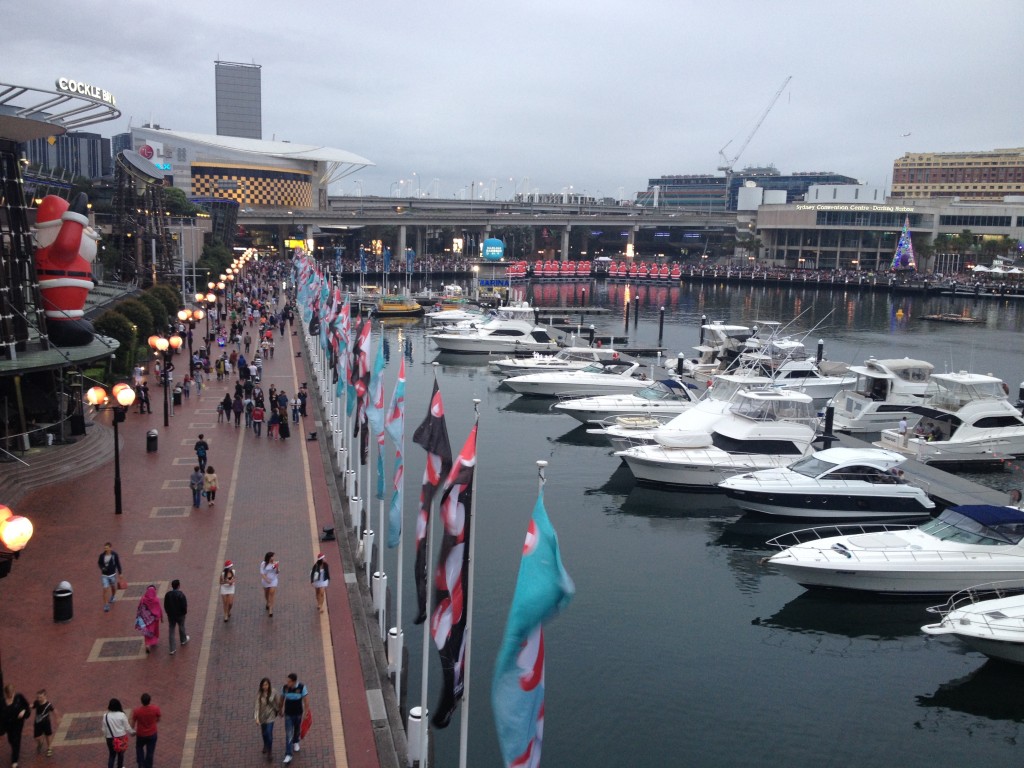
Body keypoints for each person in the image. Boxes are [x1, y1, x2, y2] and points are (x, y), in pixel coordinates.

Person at [279, 674, 308, 764]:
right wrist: (280, 709)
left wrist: (306, 712)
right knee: (289, 734)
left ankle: (296, 741)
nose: (287, 683)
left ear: (294, 681)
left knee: (297, 729)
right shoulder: (285, 688)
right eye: (287, 681)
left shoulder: (302, 687)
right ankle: (288, 754)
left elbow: (306, 701)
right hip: (288, 714)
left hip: (298, 713)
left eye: (289, 681)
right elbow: (282, 699)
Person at [1, 683, 30, 768]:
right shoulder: (2, 702)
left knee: (16, 740)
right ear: (6, 693)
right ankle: (14, 749)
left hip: (18, 723)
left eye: (12, 694)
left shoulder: (19, 697)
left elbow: (27, 706)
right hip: (7, 724)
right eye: (9, 694)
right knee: (11, 740)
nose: (11, 696)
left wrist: (23, 711)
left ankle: (14, 761)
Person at [129, 693, 160, 768]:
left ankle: (141, 764)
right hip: (152, 734)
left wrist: (131, 731)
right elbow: (158, 719)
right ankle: (148, 766)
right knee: (150, 752)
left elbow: (132, 723)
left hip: (141, 734)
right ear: (150, 700)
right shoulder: (155, 709)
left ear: (141, 701)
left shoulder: (137, 711)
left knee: (139, 748)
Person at [255, 677, 281, 761]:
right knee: (264, 733)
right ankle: (265, 744)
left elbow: (277, 702)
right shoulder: (259, 694)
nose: (265, 686)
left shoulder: (273, 692)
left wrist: (279, 711)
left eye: (266, 684)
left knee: (269, 732)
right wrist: (256, 718)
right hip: (262, 716)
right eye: (263, 685)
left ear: (269, 685)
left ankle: (270, 751)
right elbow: (257, 706)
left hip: (271, 715)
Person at [102, 698, 133, 768]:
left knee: (112, 755)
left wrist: (106, 736)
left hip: (110, 738)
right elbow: (127, 727)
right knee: (120, 754)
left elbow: (104, 729)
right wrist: (132, 732)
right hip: (121, 737)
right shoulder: (122, 715)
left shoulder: (105, 716)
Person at [135, 585, 163, 655]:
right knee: (154, 631)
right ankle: (154, 641)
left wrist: (139, 616)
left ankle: (147, 644)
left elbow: (139, 607)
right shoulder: (156, 600)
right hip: (154, 620)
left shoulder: (143, 599)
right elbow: (159, 609)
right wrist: (161, 617)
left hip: (145, 620)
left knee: (147, 632)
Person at [163, 580, 189, 655]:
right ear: (178, 586)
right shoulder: (181, 595)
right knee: (181, 626)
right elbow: (184, 606)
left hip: (171, 615)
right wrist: (184, 613)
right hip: (180, 615)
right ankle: (183, 640)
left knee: (171, 630)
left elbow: (165, 605)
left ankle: (172, 649)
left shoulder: (168, 595)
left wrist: (168, 613)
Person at [98, 542, 123, 612]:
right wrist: (102, 568)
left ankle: (112, 596)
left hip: (112, 575)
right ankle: (106, 605)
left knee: (113, 587)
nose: (106, 549)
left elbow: (118, 564)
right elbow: (99, 563)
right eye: (105, 548)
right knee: (105, 589)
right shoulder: (102, 556)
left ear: (110, 548)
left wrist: (120, 573)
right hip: (104, 576)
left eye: (107, 548)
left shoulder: (114, 555)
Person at [32, 689, 57, 757]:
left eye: (40, 697)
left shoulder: (48, 705)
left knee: (48, 735)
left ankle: (49, 748)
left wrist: (57, 718)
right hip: (37, 722)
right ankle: (40, 743)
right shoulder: (36, 702)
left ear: (45, 696)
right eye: (38, 697)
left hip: (46, 723)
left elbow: (54, 710)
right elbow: (33, 706)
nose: (39, 699)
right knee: (36, 737)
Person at [260, 552, 279, 617]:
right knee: (266, 593)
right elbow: (262, 573)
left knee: (272, 593)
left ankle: (271, 609)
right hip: (266, 581)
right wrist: (266, 579)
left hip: (273, 580)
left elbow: (277, 572)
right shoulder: (263, 564)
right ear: (269, 557)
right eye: (272, 557)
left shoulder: (275, 563)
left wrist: (276, 568)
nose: (273, 558)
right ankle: (267, 602)